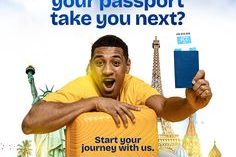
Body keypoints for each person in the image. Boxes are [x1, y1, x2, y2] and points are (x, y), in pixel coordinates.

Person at [22, 35, 212, 135]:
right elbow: (30, 124)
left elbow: (163, 107)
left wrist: (190, 105)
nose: (107, 70)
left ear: (127, 66)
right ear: (89, 67)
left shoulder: (133, 86)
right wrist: (94, 102)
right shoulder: (82, 86)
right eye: (99, 63)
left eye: (115, 62)